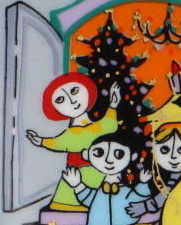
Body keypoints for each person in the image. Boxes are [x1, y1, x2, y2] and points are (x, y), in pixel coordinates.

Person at [26, 74, 119, 211]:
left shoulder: (98, 126)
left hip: (103, 171)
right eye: (60, 99)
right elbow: (63, 142)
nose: (72, 100)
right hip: (79, 172)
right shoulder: (70, 134)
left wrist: (113, 106)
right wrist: (41, 141)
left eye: (74, 91)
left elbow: (109, 126)